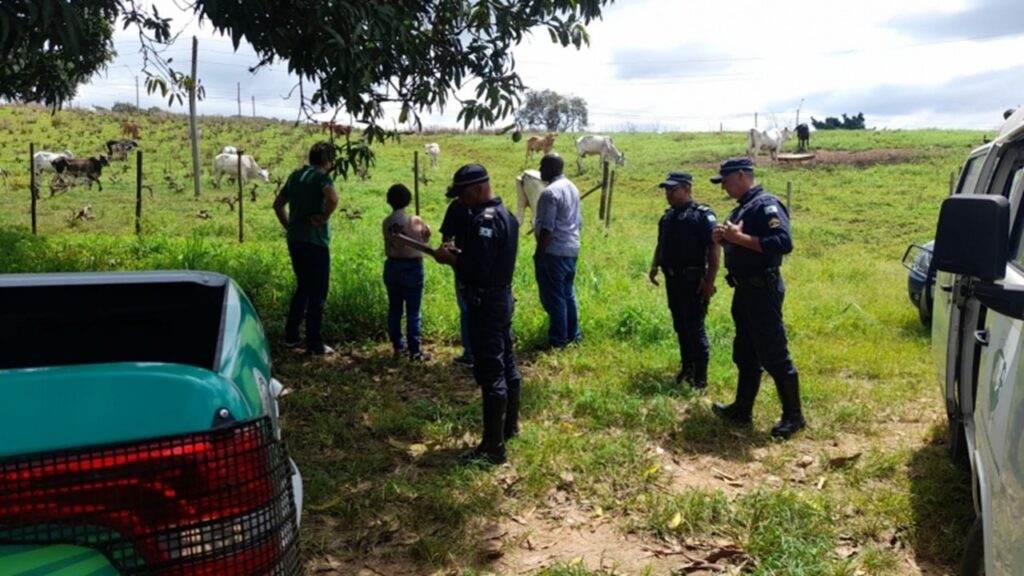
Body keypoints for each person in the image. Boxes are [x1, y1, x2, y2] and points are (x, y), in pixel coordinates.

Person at [709, 157, 805, 439]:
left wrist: (739, 239)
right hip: (744, 289)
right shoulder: (743, 209)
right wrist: (725, 238)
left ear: (741, 175)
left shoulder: (766, 205)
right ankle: (742, 409)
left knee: (774, 351)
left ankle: (794, 416)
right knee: (746, 352)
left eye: (725, 181)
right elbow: (746, 241)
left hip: (762, 289)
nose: (723, 187)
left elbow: (783, 243)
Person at [433, 164, 521, 464]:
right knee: (507, 361)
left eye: (463, 194)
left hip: (487, 302)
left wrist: (453, 262)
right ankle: (509, 428)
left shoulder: (485, 220)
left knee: (491, 370)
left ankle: (493, 447)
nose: (461, 200)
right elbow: (487, 259)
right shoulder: (507, 215)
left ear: (479, 188)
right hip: (502, 296)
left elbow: (479, 269)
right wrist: (463, 257)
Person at [648, 171, 720, 390]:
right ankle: (687, 367)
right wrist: (654, 265)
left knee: (695, 326)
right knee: (680, 325)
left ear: (687, 189)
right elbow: (661, 244)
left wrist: (709, 280)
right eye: (666, 190)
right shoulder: (667, 217)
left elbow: (714, 247)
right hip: (672, 279)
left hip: (693, 280)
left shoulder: (701, 215)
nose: (668, 194)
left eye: (673, 189)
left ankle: (700, 378)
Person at [273, 142, 339, 356]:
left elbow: (278, 204)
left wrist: (290, 226)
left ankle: (291, 335)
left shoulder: (295, 176)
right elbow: (332, 198)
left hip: (295, 240)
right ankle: (314, 343)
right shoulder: (321, 178)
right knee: (318, 291)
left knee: (303, 287)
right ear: (327, 161)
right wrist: (324, 216)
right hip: (315, 241)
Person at [533, 152, 583, 349]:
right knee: (568, 293)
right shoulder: (573, 187)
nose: (539, 170)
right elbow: (579, 221)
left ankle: (558, 340)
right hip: (572, 248)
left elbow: (547, 228)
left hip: (554, 250)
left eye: (542, 166)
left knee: (555, 296)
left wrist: (539, 253)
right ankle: (574, 335)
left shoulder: (549, 193)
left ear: (552, 168)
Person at [382, 183, 431, 361]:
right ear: (408, 200)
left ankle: (397, 345)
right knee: (413, 311)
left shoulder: (386, 222)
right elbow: (425, 238)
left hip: (392, 266)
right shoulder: (416, 220)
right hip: (412, 267)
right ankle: (415, 350)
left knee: (394, 308)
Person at [440, 188, 475, 368]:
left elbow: (446, 238)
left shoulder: (456, 207)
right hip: (485, 265)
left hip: (462, 263)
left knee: (466, 308)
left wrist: (448, 254)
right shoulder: (490, 209)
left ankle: (470, 354)